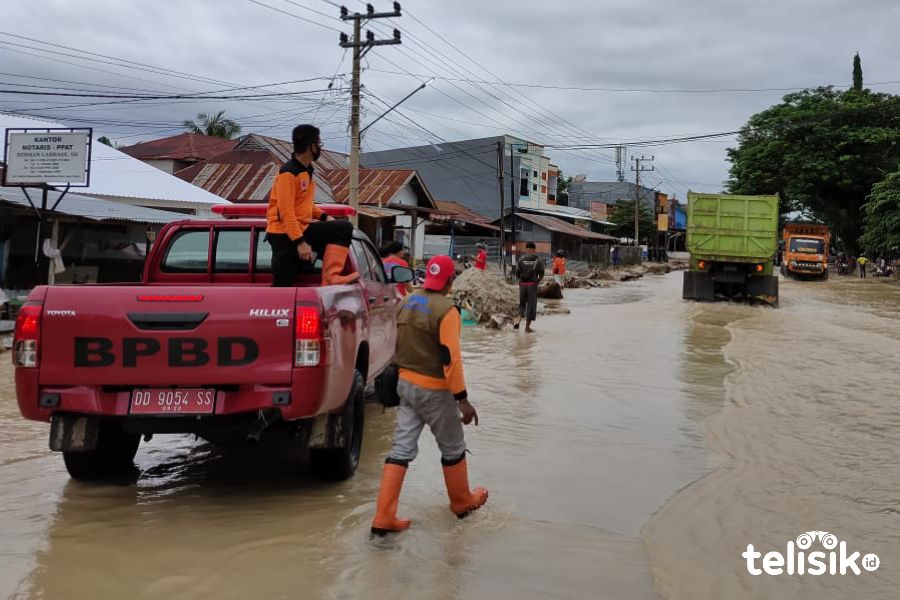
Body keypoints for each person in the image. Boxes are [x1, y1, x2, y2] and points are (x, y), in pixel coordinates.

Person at [371, 255, 488, 535]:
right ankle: (462, 502)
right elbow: (452, 359)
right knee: (452, 447)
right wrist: (462, 399)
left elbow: (392, 342)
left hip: (405, 386)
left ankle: (383, 517)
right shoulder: (447, 310)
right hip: (435, 390)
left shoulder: (407, 300)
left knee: (401, 448)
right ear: (449, 281)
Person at [265, 124, 358, 287]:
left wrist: (324, 216)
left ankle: (331, 276)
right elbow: (286, 212)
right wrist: (300, 243)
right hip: (283, 236)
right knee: (283, 285)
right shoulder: (288, 173)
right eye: (319, 144)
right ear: (311, 147)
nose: (320, 149)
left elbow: (304, 205)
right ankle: (329, 276)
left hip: (301, 230)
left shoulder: (306, 170)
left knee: (342, 228)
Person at [513, 241, 544, 333]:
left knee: (522, 304)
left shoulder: (521, 259)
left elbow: (517, 273)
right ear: (534, 249)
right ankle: (527, 328)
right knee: (531, 305)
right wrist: (537, 282)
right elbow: (541, 274)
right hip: (532, 285)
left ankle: (518, 320)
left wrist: (521, 280)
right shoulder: (538, 260)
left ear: (526, 249)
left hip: (522, 285)